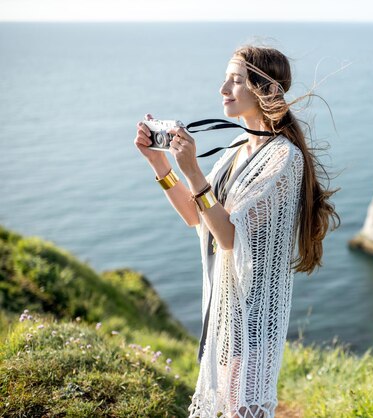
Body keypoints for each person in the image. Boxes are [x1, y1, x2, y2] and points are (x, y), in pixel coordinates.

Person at [134, 45, 339, 418]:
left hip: (254, 317)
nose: (223, 88)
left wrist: (194, 171)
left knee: (243, 409)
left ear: (267, 90)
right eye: (226, 78)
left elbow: (229, 237)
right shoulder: (236, 147)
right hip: (224, 312)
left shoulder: (284, 159)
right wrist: (160, 164)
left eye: (236, 80)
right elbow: (197, 217)